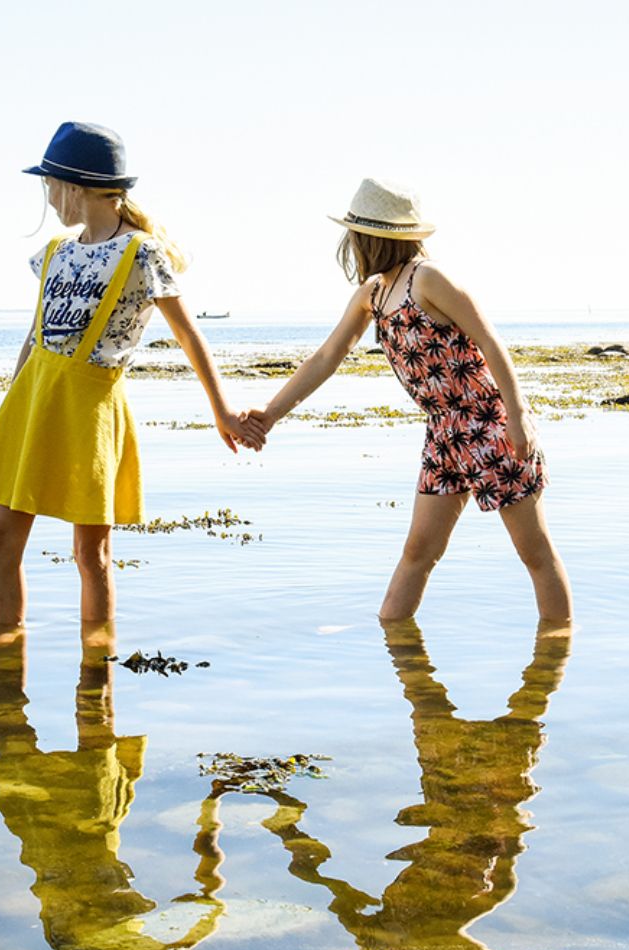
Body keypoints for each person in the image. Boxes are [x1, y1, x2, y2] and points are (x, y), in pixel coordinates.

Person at [0, 122, 260, 627]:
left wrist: (223, 412)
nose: (48, 195)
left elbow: (189, 336)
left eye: (49, 184)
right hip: (34, 399)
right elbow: (35, 337)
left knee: (90, 554)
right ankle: (7, 660)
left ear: (73, 187)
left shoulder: (142, 252)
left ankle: (97, 677)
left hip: (92, 406)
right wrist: (11, 410)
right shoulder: (56, 252)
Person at [243, 179, 571, 622]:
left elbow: (492, 344)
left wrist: (519, 416)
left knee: (535, 553)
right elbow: (326, 356)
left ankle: (552, 668)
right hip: (443, 434)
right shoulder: (373, 294)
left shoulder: (430, 279)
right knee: (419, 551)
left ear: (369, 237)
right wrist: (271, 413)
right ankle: (398, 652)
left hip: (488, 426)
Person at [253, 620, 570, 950]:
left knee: (449, 699)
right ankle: (555, 634)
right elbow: (327, 883)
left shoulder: (382, 936)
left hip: (458, 808)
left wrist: (291, 829)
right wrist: (290, 831)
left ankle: (554, 633)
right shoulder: (425, 927)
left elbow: (328, 883)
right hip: (476, 808)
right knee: (510, 703)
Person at [0, 624, 229, 950]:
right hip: (76, 834)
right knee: (62, 727)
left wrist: (212, 816)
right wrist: (210, 815)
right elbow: (206, 900)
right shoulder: (80, 948)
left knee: (58, 726)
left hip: (72, 835)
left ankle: (21, 638)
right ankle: (77, 645)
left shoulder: (80, 949)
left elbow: (208, 898)